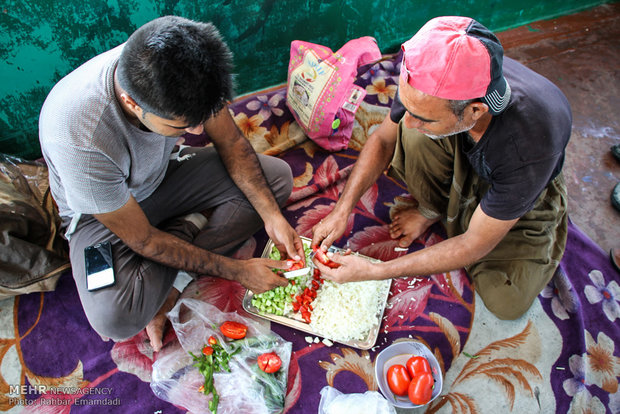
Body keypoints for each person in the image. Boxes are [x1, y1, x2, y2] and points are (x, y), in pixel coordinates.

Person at [39, 16, 303, 351]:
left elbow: (232, 143)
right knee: (115, 317)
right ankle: (187, 228)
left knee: (276, 182)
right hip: (102, 216)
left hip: (162, 176)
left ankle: (176, 268)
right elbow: (145, 239)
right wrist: (237, 271)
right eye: (181, 127)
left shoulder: (187, 58)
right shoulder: (80, 137)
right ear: (134, 104)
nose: (196, 133)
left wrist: (273, 218)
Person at [311, 16, 572, 320]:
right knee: (411, 135)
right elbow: (383, 139)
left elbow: (473, 245)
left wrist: (376, 270)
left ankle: (478, 217)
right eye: (408, 107)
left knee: (505, 299)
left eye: (424, 116)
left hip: (519, 177)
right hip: (465, 142)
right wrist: (342, 209)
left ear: (475, 110)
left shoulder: (528, 144)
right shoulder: (425, 78)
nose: (407, 120)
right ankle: (434, 210)